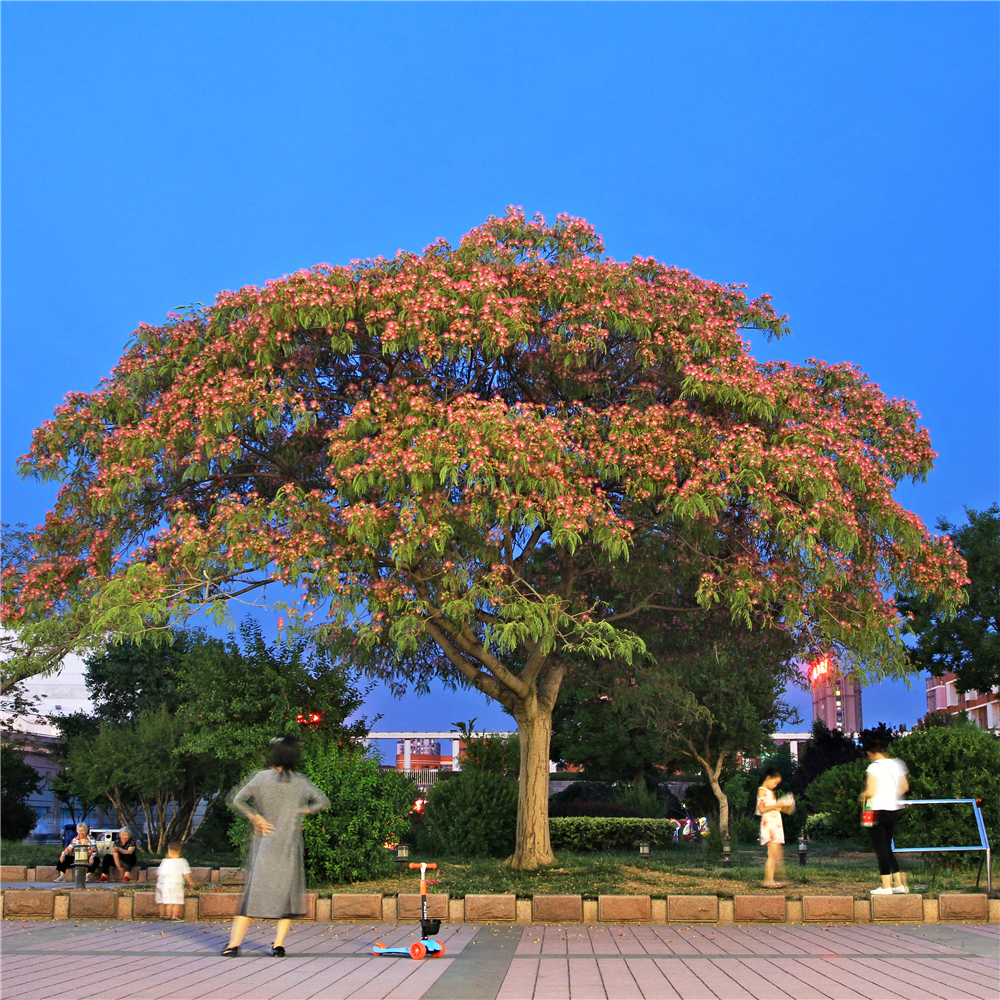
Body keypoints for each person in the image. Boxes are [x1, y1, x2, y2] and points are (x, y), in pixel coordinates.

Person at [222, 736, 330, 957]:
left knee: (253, 894)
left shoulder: (261, 778)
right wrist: (302, 811)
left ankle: (234, 944)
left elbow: (237, 800)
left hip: (266, 844)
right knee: (286, 896)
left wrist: (257, 818)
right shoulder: (300, 781)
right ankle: (278, 944)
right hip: (289, 845)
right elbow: (322, 801)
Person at [860, 734, 909, 895]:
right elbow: (904, 787)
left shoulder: (873, 768)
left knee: (880, 848)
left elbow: (871, 791)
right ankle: (898, 884)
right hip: (892, 809)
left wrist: (863, 795)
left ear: (869, 753)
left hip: (876, 810)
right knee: (888, 847)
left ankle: (885, 886)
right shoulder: (897, 764)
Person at [756, 767, 789, 888]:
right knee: (772, 854)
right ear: (768, 778)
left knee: (776, 853)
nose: (775, 785)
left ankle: (775, 878)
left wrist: (782, 806)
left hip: (775, 824)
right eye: (775, 782)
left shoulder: (769, 792)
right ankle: (768, 880)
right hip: (770, 825)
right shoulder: (762, 791)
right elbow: (762, 809)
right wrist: (777, 805)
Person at [156, 841, 195, 919]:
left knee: (168, 901)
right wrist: (191, 883)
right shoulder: (183, 862)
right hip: (177, 884)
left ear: (170, 851)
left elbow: (160, 873)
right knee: (177, 901)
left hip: (166, 885)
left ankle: (168, 915)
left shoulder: (165, 861)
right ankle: (175, 915)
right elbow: (186, 874)